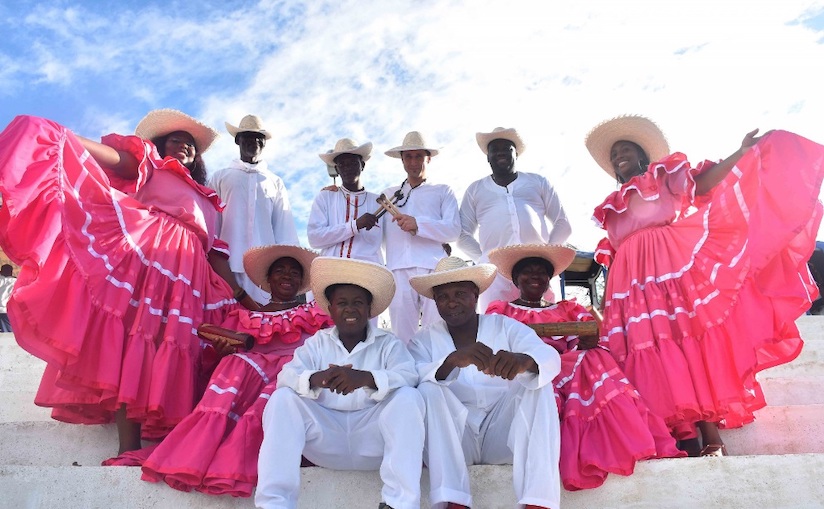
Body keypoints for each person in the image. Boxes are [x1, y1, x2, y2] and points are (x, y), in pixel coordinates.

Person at [0, 110, 245, 459]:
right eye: (176, 139)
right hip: (149, 260)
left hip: (191, 276)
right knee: (136, 343)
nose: (184, 145)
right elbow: (110, 158)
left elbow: (216, 254)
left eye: (190, 144)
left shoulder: (209, 200)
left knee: (179, 346)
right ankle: (127, 447)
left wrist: (243, 296)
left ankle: (169, 441)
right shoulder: (152, 166)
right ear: (161, 145)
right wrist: (62, 136)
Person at [584, 114, 824, 456]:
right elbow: (612, 255)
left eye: (626, 149)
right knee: (645, 350)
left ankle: (709, 431)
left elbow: (706, 183)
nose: (619, 156)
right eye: (614, 155)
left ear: (642, 157)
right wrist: (607, 306)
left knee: (685, 341)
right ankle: (678, 432)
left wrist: (741, 153)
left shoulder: (661, 176)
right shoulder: (610, 207)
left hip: (670, 269)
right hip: (630, 288)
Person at [133, 244, 333, 496]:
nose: (287, 276)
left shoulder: (313, 313)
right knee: (234, 363)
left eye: (294, 272)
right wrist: (223, 350)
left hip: (292, 378)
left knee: (283, 380)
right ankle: (208, 451)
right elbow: (215, 360)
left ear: (302, 281)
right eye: (280, 270)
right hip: (249, 382)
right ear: (267, 280)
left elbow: (328, 350)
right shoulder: (243, 317)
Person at [486, 243, 683, 490]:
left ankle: (611, 444)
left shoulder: (568, 308)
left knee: (594, 357)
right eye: (528, 271)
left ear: (549, 280)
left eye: (542, 272)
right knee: (581, 365)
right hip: (521, 373)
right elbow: (494, 344)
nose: (535, 276)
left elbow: (589, 334)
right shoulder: (501, 310)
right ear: (516, 278)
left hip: (565, 367)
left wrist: (587, 341)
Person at [256, 257, 424, 509]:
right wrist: (317, 378)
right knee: (282, 399)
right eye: (342, 303)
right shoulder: (317, 343)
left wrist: (366, 378)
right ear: (330, 309)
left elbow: (409, 375)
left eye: (358, 303)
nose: (350, 309)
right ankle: (274, 504)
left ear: (369, 309)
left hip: (373, 440)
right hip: (326, 439)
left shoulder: (388, 343)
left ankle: (399, 504)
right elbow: (285, 377)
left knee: (409, 397)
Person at [407, 256, 561, 509]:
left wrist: (524, 362)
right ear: (435, 302)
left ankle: (538, 502)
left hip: (502, 437)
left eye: (460, 293)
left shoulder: (506, 326)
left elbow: (549, 358)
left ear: (475, 295)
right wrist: (451, 362)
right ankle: (454, 501)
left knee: (538, 383)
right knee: (426, 388)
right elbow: (409, 379)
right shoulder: (422, 341)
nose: (452, 302)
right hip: (454, 442)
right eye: (443, 297)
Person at [458, 127, 572, 312]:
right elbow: (462, 234)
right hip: (494, 277)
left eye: (507, 148)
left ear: (516, 154)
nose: (501, 152)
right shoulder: (475, 189)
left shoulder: (538, 182)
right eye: (495, 149)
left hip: (538, 272)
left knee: (548, 324)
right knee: (496, 329)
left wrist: (547, 259)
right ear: (488, 157)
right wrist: (486, 260)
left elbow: (563, 224)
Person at [209, 114, 300, 304]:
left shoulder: (274, 182)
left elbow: (283, 227)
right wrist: (212, 259)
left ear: (264, 144)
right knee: (228, 323)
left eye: (259, 138)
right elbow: (212, 222)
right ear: (237, 140)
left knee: (264, 323)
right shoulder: (221, 177)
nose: (254, 142)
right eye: (248, 137)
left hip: (264, 271)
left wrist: (288, 266)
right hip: (227, 265)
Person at [382, 131, 461, 343]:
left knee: (435, 333)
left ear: (428, 158)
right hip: (398, 270)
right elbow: (363, 212)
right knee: (401, 336)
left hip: (432, 270)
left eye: (418, 156)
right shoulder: (388, 194)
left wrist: (419, 225)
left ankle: (434, 375)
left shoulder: (443, 191)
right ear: (402, 160)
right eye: (408, 156)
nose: (413, 162)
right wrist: (336, 191)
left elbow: (453, 230)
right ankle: (405, 375)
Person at [307, 138, 384, 265]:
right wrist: (355, 225)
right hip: (332, 272)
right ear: (337, 170)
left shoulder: (379, 202)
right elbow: (314, 238)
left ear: (362, 165)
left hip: (367, 274)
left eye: (353, 163)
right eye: (342, 165)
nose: (347, 168)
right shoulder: (326, 197)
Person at [0, 263, 16, 332]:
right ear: (11, 272)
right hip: (6, 311)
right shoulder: (15, 281)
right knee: (7, 334)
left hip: (4, 311)